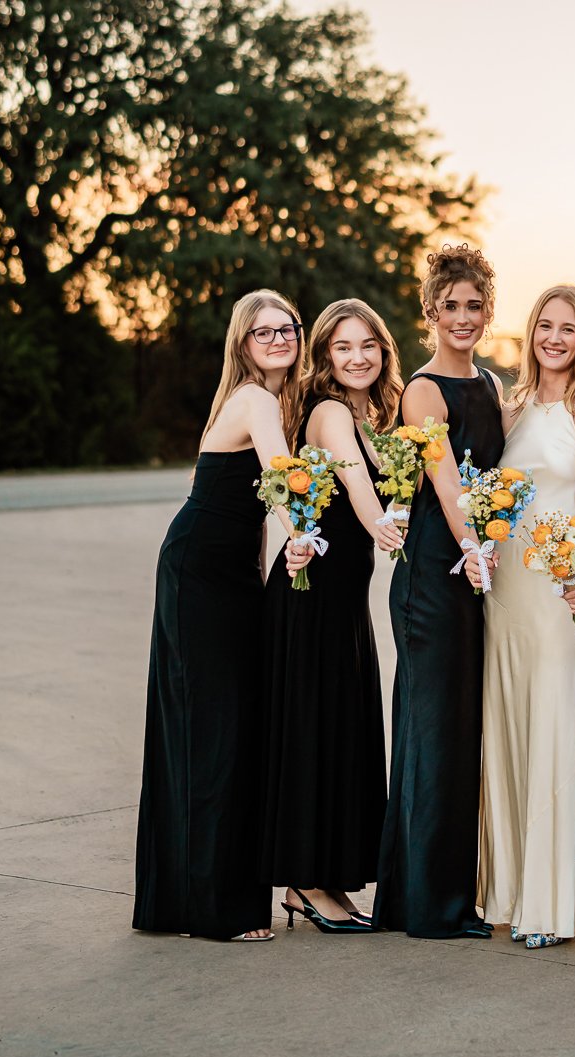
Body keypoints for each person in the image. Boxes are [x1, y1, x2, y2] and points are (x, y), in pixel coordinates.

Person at [134, 289, 303, 943]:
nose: (279, 338)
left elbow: (245, 499)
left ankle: (180, 901)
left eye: (287, 328)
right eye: (264, 332)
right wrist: (303, 534)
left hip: (224, 576)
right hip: (199, 576)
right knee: (214, 734)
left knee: (214, 730)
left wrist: (263, 565)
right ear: (242, 343)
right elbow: (281, 482)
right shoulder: (257, 401)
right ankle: (213, 911)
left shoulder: (268, 401)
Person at [478, 285, 575, 949]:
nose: (555, 338)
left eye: (568, 328)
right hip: (506, 592)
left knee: (561, 733)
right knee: (510, 734)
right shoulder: (510, 408)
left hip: (564, 590)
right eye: (545, 326)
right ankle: (510, 895)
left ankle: (553, 907)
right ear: (531, 332)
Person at [260, 299, 406, 935]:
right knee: (313, 731)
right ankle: (306, 881)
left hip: (345, 600)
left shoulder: (374, 417)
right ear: (324, 356)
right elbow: (352, 479)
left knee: (342, 730)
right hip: (310, 594)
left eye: (368, 345)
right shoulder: (328, 414)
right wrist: (381, 522)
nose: (357, 357)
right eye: (343, 347)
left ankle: (329, 880)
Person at [373, 245, 506, 939]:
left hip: (475, 571)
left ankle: (444, 896)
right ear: (429, 311)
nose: (462, 317)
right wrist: (472, 550)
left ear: (488, 312)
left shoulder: (489, 384)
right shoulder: (422, 390)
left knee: (459, 732)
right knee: (430, 730)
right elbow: (448, 480)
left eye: (474, 306)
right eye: (449, 305)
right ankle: (429, 907)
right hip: (434, 571)